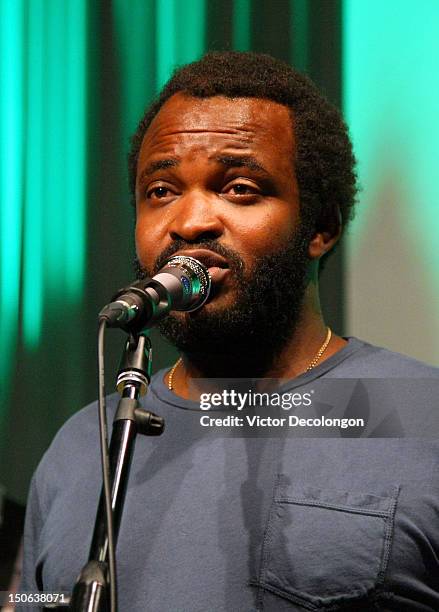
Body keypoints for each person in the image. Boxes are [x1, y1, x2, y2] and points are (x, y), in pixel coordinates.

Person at [19, 52, 439, 611]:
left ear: (322, 227)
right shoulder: (82, 444)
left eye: (239, 188)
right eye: (161, 191)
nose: (190, 222)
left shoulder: (418, 411)